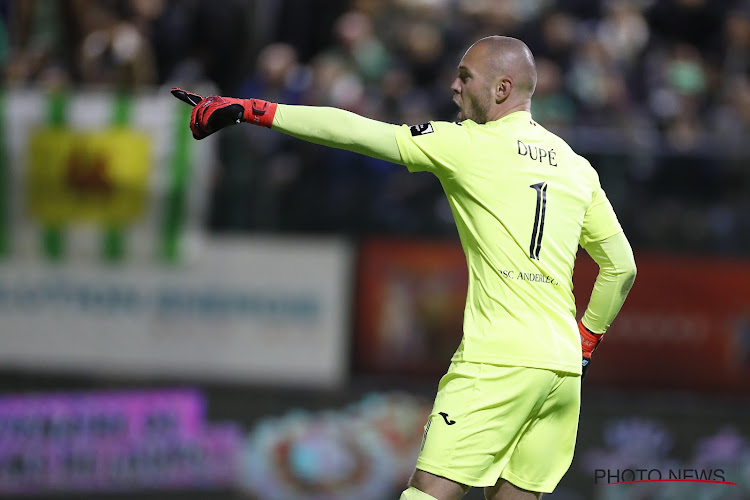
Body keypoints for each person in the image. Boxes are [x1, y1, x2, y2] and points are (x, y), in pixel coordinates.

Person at [172, 35, 637, 500]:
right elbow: (621, 267)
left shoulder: (467, 143)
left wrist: (252, 109)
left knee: (427, 492)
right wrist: (586, 341)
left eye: (465, 77)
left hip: (498, 360)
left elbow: (357, 131)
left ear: (501, 89)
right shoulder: (577, 167)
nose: (453, 86)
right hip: (560, 372)